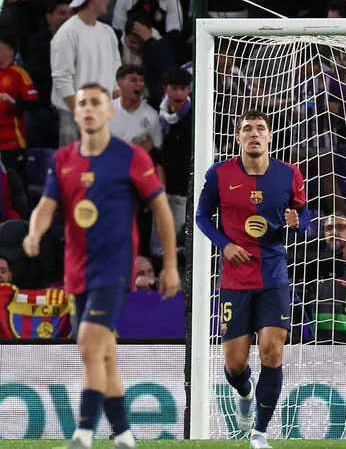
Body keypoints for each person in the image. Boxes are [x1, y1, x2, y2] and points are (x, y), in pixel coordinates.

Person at [22, 82, 180, 449]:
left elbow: (161, 209)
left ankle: (83, 434)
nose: (89, 108)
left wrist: (170, 265)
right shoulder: (63, 159)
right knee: (104, 355)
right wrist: (33, 233)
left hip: (116, 268)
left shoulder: (131, 157)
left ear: (109, 111)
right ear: (75, 113)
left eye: (96, 102)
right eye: (83, 104)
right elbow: (46, 206)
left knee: (88, 344)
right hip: (78, 271)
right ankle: (124, 435)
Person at [196, 109, 309, 448]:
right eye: (247, 129)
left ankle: (259, 433)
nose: (254, 133)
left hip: (274, 276)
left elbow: (304, 214)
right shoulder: (219, 174)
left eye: (260, 128)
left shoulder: (289, 174)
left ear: (270, 136)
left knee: (272, 351)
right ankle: (245, 393)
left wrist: (298, 222)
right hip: (235, 281)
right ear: (238, 138)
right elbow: (201, 216)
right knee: (235, 365)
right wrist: (224, 244)